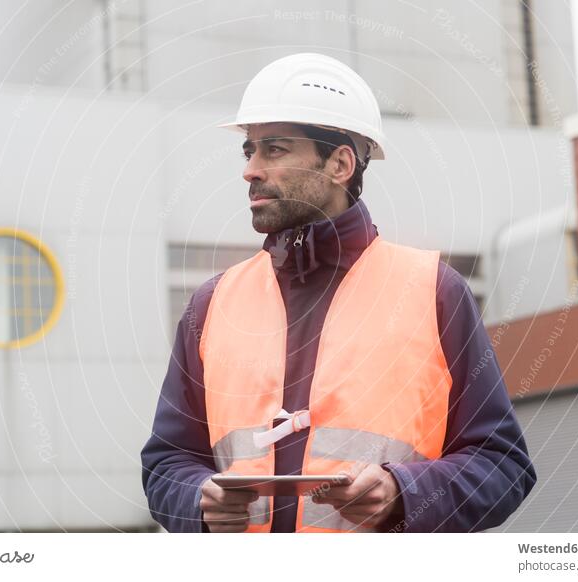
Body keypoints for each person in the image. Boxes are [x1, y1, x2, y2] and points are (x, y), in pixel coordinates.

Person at [141, 53, 535, 533]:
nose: (251, 170)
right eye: (249, 151)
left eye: (276, 150)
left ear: (340, 163)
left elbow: (503, 464)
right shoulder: (212, 303)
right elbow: (167, 462)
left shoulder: (434, 292)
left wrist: (403, 494)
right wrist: (195, 500)